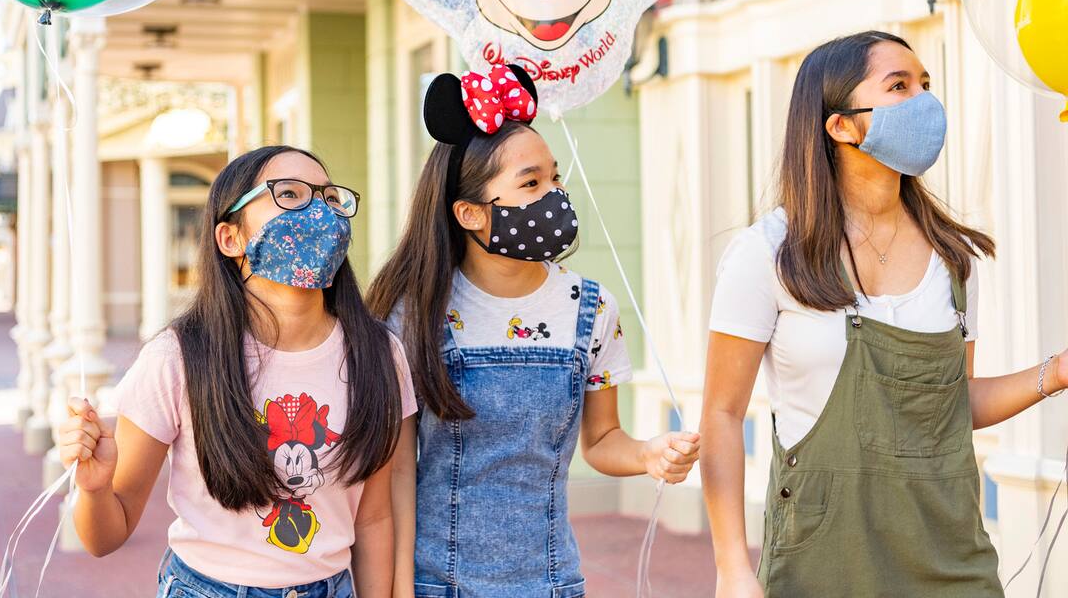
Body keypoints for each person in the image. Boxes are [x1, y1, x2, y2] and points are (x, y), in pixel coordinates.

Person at [700, 31, 1068, 598]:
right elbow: (723, 414)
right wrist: (732, 567)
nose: (924, 100)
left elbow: (951, 403)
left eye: (926, 84)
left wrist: (1057, 374)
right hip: (820, 561)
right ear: (840, 124)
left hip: (950, 556)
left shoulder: (955, 260)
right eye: (899, 86)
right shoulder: (768, 253)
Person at [367, 63, 701, 598]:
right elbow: (396, 470)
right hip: (434, 584)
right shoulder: (414, 315)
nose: (555, 196)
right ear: (470, 213)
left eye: (555, 177)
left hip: (550, 583)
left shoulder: (592, 310)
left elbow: (602, 440)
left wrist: (649, 454)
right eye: (531, 183)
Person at [57, 145, 418, 598]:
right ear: (230, 238)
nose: (319, 213)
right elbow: (105, 536)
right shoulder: (178, 357)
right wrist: (93, 489)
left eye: (329, 199)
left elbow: (374, 517)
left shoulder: (380, 354)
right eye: (289, 194)